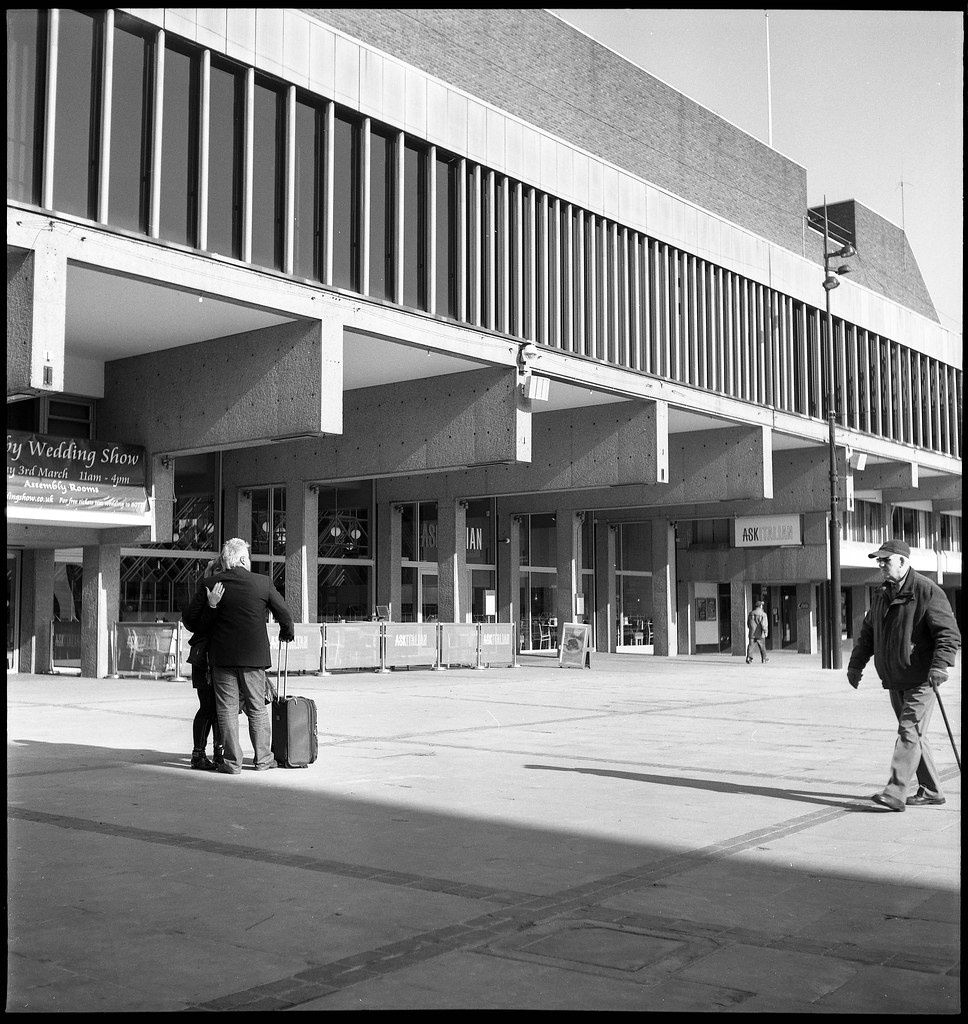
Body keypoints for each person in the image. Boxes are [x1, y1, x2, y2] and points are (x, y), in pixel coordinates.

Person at [847, 539, 961, 812]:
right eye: (879, 561)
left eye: (886, 560)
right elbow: (868, 635)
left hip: (921, 677)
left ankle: (896, 791)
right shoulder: (882, 594)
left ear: (903, 561)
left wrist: (940, 665)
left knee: (908, 731)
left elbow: (949, 633)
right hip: (895, 678)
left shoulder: (926, 591)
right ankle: (932, 789)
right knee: (915, 735)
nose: (881, 565)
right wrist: (855, 665)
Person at [183, 538, 295, 775]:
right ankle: (263, 759)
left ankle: (232, 763)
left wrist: (212, 604)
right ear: (243, 559)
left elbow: (190, 622)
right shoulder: (262, 583)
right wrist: (287, 633)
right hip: (254, 659)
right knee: (256, 708)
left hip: (222, 659)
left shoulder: (211, 583)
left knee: (226, 709)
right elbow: (284, 614)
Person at [184, 557, 224, 770]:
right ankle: (198, 753)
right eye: (218, 570)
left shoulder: (228, 591)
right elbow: (194, 623)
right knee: (208, 706)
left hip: (221, 658)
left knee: (221, 709)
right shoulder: (205, 592)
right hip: (205, 658)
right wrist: (211, 605)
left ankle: (220, 752)